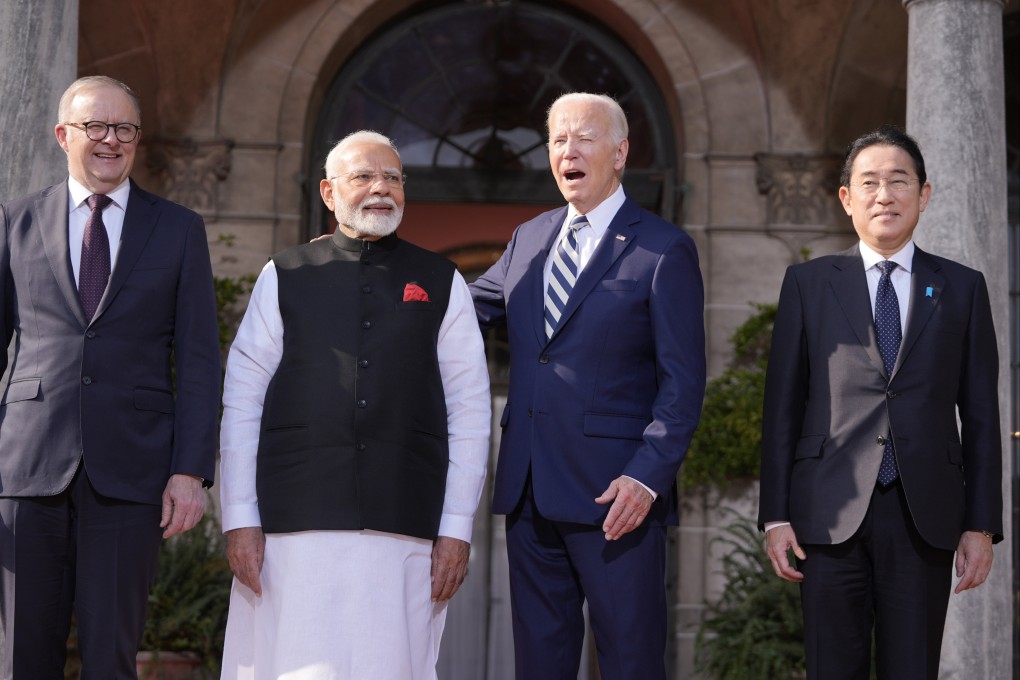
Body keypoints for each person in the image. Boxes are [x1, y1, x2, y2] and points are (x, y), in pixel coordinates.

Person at [218, 130, 490, 679]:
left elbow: (470, 409)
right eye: (363, 176)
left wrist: (456, 529)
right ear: (328, 191)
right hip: (292, 525)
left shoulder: (441, 280)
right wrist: (240, 519)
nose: (381, 188)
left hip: (404, 524)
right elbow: (243, 398)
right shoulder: (285, 274)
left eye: (392, 177)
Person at [469, 92, 706, 680]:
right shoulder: (529, 236)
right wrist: (368, 263)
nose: (566, 151)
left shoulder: (662, 249)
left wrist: (646, 478)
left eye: (584, 138)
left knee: (629, 661)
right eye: (556, 140)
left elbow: (684, 383)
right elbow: (461, 309)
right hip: (529, 493)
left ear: (620, 152)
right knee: (539, 664)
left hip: (615, 501)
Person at [758, 125, 1002, 680]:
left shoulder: (962, 288)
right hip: (828, 512)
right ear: (846, 198)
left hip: (925, 515)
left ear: (925, 194)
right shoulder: (808, 284)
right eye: (869, 183)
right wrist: (775, 515)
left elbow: (983, 416)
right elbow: (782, 408)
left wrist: (981, 525)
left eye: (899, 181)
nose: (884, 195)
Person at [0, 75, 221, 678]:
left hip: (132, 475)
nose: (110, 140)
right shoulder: (13, 222)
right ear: (62, 134)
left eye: (123, 129)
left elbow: (200, 358)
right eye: (95, 126)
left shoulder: (178, 229)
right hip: (25, 469)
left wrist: (190, 471)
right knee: (22, 656)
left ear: (137, 139)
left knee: (111, 658)